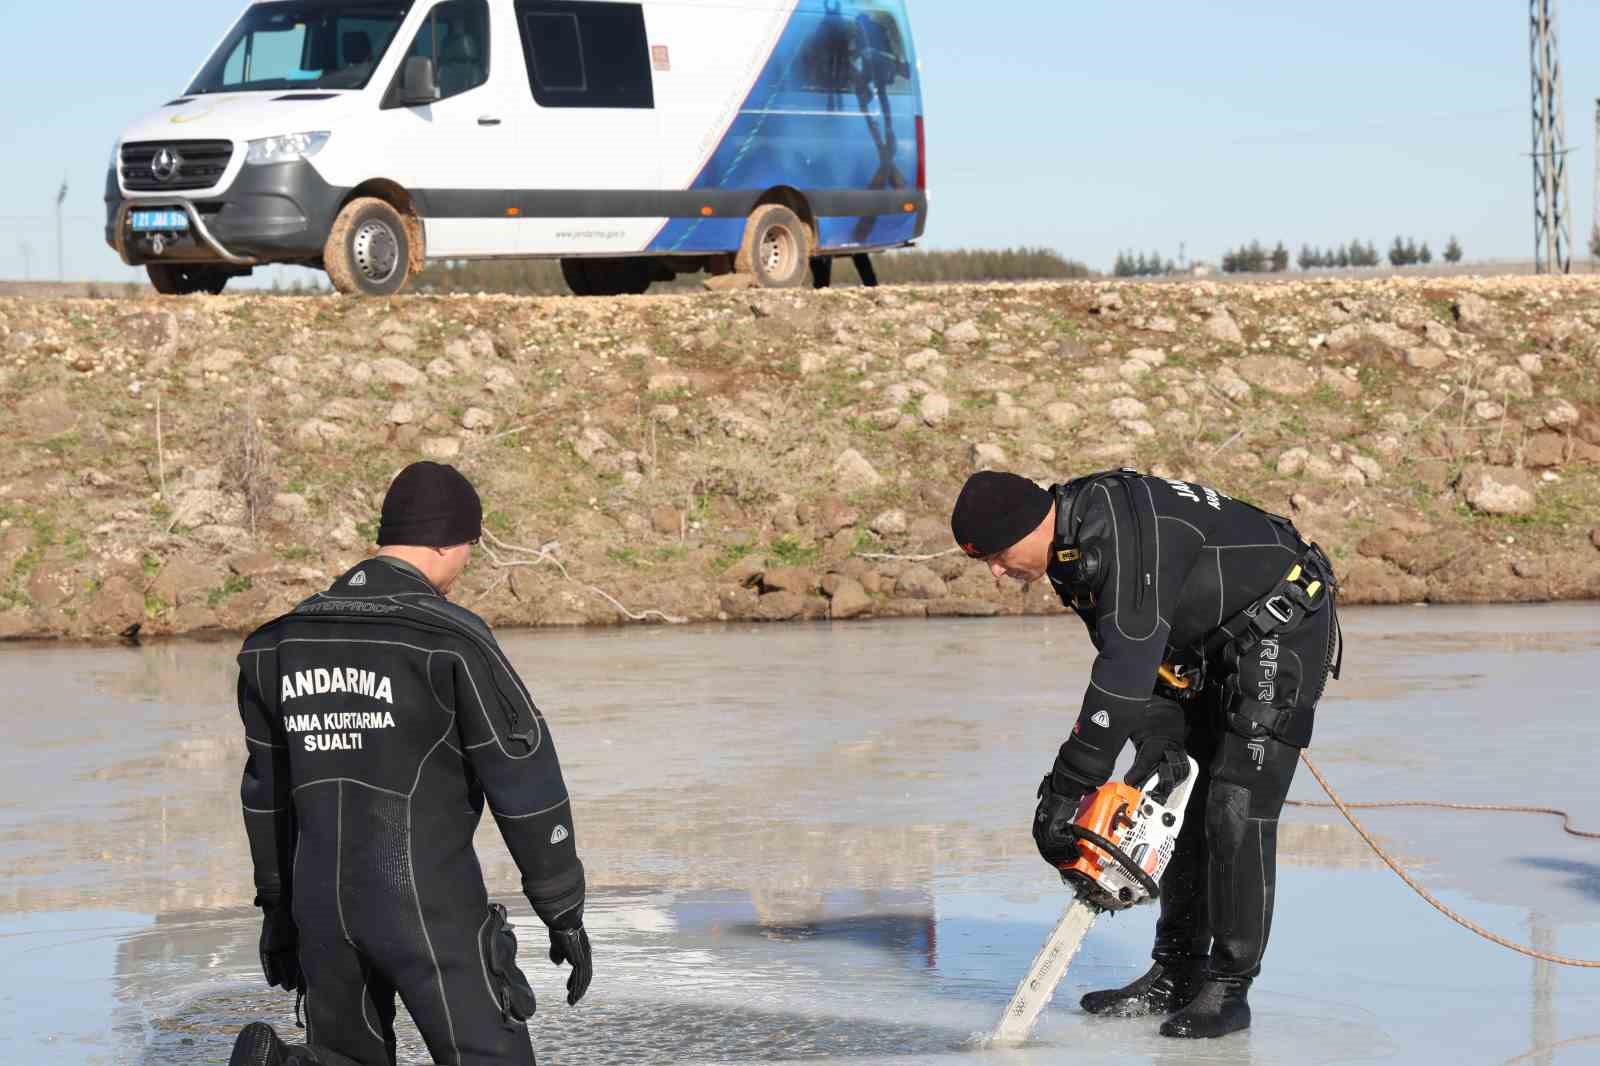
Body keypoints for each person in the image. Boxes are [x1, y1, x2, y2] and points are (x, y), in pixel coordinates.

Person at [950, 468, 1341, 1039]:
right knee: (1173, 789)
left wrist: (1068, 785)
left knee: (1234, 805)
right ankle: (1178, 969)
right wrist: (1159, 741)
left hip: (1282, 623)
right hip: (1207, 643)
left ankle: (1229, 988)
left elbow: (1123, 672)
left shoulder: (1117, 532)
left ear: (1031, 523)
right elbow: (1140, 658)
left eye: (998, 553)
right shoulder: (1071, 549)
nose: (995, 570)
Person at [228, 461, 591, 1066]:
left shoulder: (277, 644)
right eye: (470, 547)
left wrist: (277, 908)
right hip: (426, 903)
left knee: (345, 1055)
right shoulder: (452, 640)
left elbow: (265, 793)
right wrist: (562, 908)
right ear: (448, 541)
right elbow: (524, 778)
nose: (467, 563)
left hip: (317, 900)